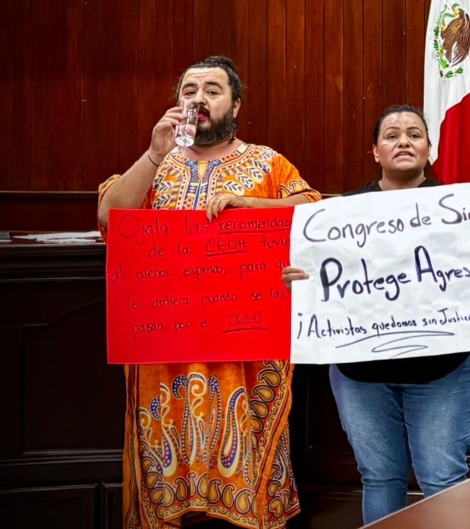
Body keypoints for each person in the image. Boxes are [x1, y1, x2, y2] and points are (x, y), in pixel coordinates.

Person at [97, 56, 320, 529]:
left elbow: (312, 211)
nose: (199, 98)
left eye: (213, 91)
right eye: (189, 90)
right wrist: (154, 154)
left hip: (243, 353)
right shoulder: (157, 165)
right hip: (164, 354)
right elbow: (109, 217)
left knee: (246, 468)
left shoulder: (267, 162)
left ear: (235, 105)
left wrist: (249, 204)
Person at [282, 104, 470, 524]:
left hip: (444, 370)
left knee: (443, 478)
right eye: (391, 135)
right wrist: (298, 279)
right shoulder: (338, 214)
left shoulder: (465, 211)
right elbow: (318, 278)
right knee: (379, 478)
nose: (404, 141)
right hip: (361, 375)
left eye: (414, 134)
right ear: (376, 151)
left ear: (430, 149)